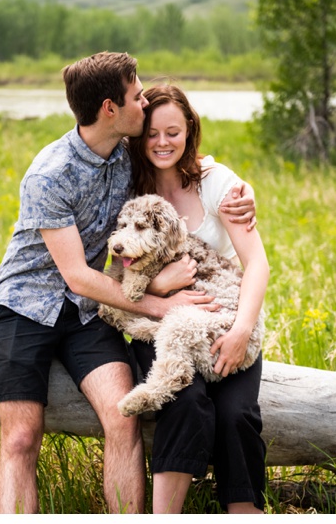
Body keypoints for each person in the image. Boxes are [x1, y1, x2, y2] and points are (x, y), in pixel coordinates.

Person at [0, 52, 256, 514]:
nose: (144, 99)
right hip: (26, 308)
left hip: (88, 314)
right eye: (136, 95)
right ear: (110, 108)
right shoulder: (49, 175)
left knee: (122, 418)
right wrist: (157, 303)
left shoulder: (127, 153)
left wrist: (241, 190)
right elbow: (76, 276)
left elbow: (183, 155)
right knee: (23, 436)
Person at [125, 84, 270, 514]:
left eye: (173, 132)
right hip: (162, 326)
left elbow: (257, 263)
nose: (162, 142)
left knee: (237, 415)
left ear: (189, 129)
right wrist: (159, 284)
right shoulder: (130, 184)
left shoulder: (217, 182)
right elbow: (118, 267)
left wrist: (243, 330)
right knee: (185, 400)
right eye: (152, 133)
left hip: (226, 321)